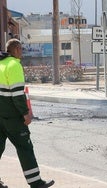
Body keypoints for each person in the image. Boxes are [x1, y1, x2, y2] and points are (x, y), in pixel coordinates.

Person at [0, 39, 54, 188]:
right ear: (16, 49)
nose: (22, 53)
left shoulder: (1, 64)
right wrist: (25, 113)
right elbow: (17, 94)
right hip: (13, 118)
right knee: (25, 148)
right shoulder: (14, 65)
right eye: (21, 49)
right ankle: (36, 183)